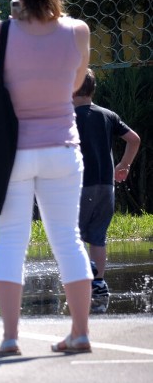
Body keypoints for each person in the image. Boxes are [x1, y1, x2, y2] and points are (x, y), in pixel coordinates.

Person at [0, 0, 93, 357]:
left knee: (11, 241)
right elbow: (76, 83)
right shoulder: (78, 31)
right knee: (68, 239)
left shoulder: (0, 33)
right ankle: (80, 332)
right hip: (62, 147)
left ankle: (11, 338)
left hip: (13, 152)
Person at [73, 70, 140, 311]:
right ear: (92, 89)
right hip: (106, 186)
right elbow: (134, 139)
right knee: (98, 237)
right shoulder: (108, 115)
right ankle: (98, 283)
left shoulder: (68, 116)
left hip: (81, 185)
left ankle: (83, 275)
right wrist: (124, 165)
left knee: (74, 236)